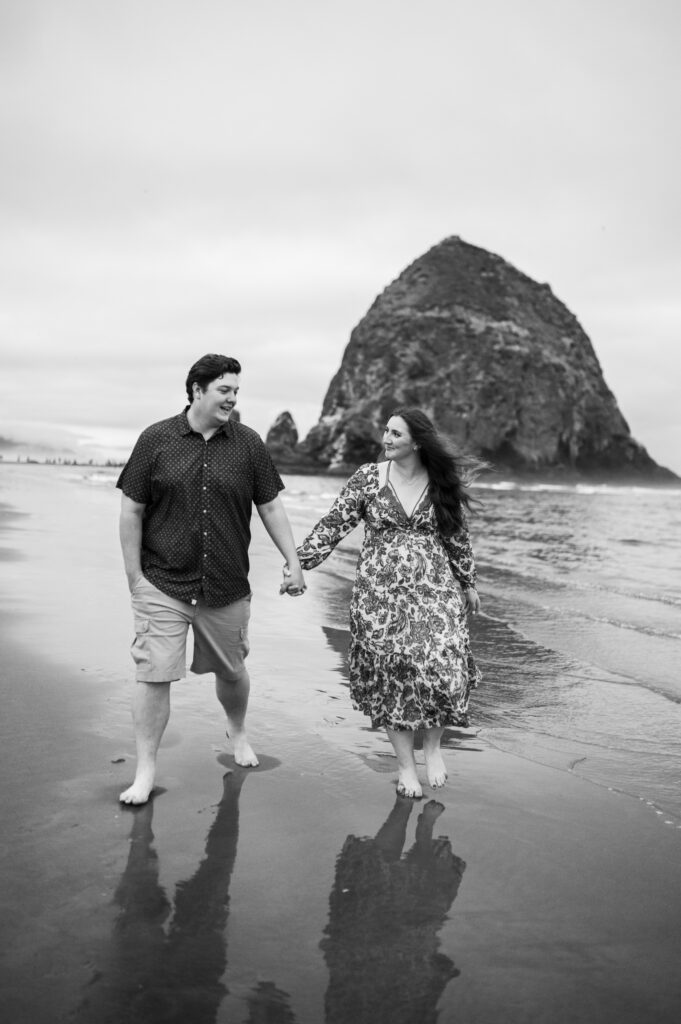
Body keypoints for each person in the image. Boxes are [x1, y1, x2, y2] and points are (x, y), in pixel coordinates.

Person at [117, 354, 305, 806]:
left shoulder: (248, 444)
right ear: (197, 390)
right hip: (163, 581)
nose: (233, 399)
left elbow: (271, 506)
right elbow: (132, 510)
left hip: (225, 583)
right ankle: (145, 772)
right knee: (153, 675)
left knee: (233, 670)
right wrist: (135, 580)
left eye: (237, 391)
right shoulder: (156, 440)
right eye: (225, 390)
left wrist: (293, 560)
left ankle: (237, 731)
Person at [295, 407, 481, 799]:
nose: (387, 438)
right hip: (380, 597)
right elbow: (334, 524)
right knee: (393, 679)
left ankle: (432, 749)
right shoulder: (368, 478)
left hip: (435, 591)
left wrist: (468, 582)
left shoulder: (440, 483)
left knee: (443, 668)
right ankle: (405, 768)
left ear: (417, 441)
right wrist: (299, 563)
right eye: (386, 431)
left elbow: (457, 536)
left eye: (396, 433)